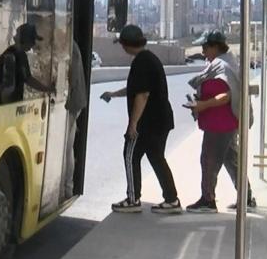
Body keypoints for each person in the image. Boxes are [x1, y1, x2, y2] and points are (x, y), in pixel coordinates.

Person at [101, 25, 181, 214]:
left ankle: (132, 199)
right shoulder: (149, 59)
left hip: (147, 123)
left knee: (130, 155)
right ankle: (172, 200)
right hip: (160, 121)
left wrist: (133, 124)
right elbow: (135, 89)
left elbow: (143, 94)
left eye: (122, 43)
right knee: (156, 158)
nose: (122, 47)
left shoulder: (141, 62)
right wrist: (113, 94)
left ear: (127, 44)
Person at [185, 30, 257, 213]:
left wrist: (203, 105)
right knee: (231, 160)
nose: (203, 51)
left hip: (220, 124)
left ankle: (208, 200)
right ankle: (246, 197)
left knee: (209, 160)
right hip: (226, 123)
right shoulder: (223, 63)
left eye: (205, 47)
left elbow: (226, 95)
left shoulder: (222, 66)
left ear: (215, 47)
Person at [0, 23, 54, 106]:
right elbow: (27, 80)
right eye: (32, 40)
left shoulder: (18, 54)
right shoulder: (13, 56)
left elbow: (27, 78)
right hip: (3, 108)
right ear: (25, 39)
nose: (34, 44)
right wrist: (47, 89)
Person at [64, 40, 88, 198]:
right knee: (68, 147)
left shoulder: (67, 44)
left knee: (66, 148)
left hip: (72, 103)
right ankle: (68, 187)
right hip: (75, 101)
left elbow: (70, 78)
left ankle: (67, 187)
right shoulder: (71, 43)